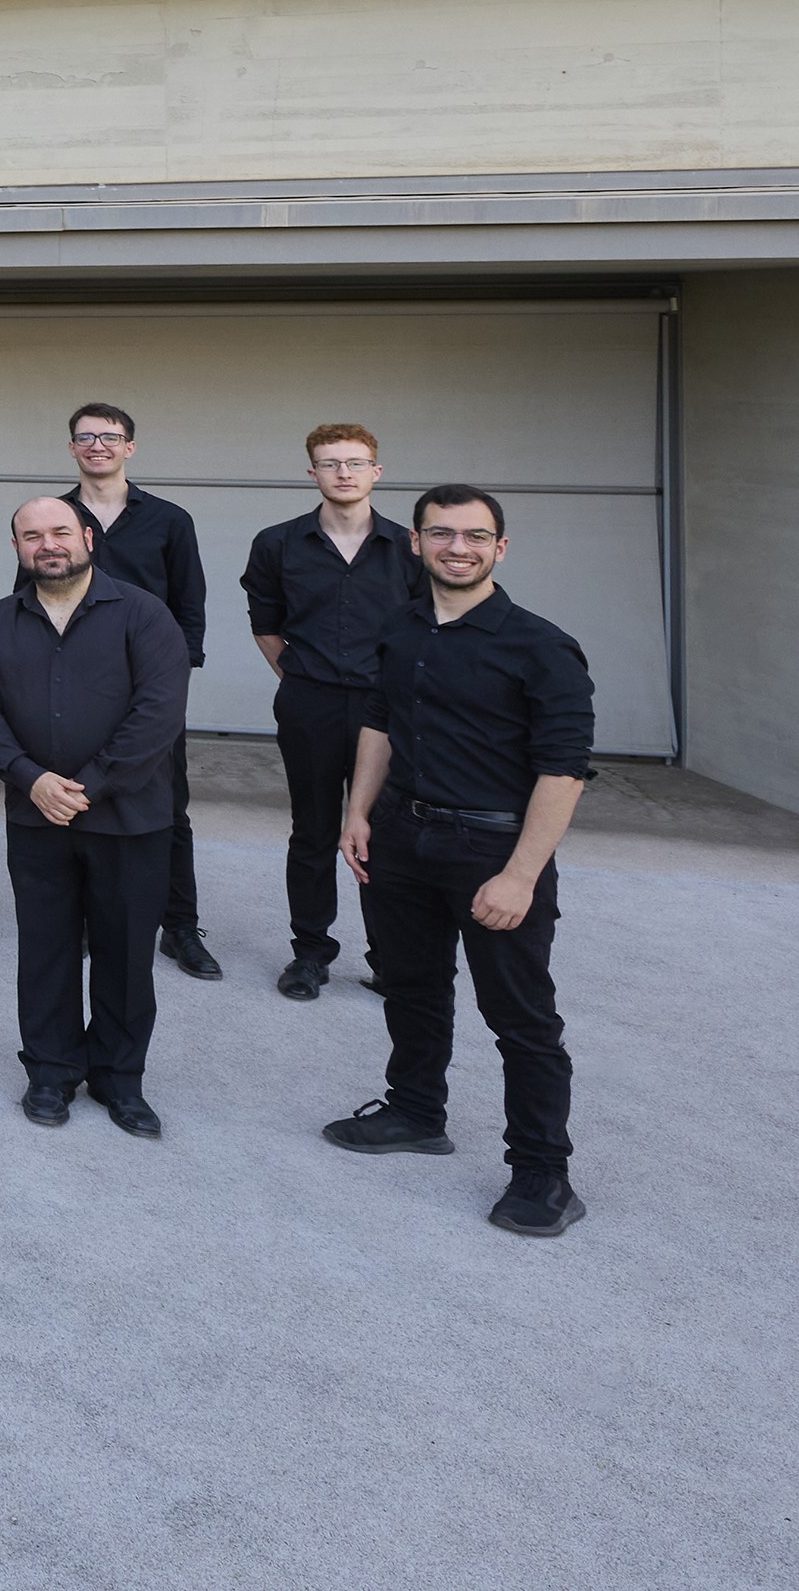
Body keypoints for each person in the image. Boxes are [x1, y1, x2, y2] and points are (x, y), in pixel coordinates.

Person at [321, 486, 594, 1238]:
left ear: (500, 548)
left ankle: (542, 1172)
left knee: (520, 1018)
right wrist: (357, 813)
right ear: (415, 543)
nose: (457, 547)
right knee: (410, 988)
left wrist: (520, 872)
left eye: (475, 535)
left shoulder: (540, 646)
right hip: (399, 839)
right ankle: (414, 1109)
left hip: (491, 849)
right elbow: (378, 719)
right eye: (439, 533)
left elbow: (562, 769)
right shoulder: (401, 626)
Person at [0, 498, 190, 1137]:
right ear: (17, 548)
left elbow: (158, 716)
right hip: (36, 818)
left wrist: (84, 788)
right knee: (46, 950)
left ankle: (121, 1081)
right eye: (32, 535)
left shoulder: (144, 615)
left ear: (87, 537)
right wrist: (31, 779)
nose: (48, 545)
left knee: (123, 956)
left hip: (130, 820)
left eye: (61, 531)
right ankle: (50, 1071)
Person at [243, 423, 423, 1001]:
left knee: (386, 834)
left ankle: (389, 957)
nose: (343, 473)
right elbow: (266, 624)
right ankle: (311, 954)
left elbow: (428, 631)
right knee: (313, 830)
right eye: (329, 463)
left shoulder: (409, 547)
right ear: (312, 473)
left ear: (377, 470)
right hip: (311, 704)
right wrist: (299, 678)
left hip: (389, 712)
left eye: (355, 462)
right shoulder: (277, 543)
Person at [66, 404, 216, 980]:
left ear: (130, 446)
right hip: (72, 685)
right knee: (78, 801)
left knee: (167, 808)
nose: (98, 445)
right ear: (73, 447)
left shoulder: (169, 520)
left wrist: (173, 680)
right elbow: (26, 596)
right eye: (86, 437)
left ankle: (179, 927)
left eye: (110, 437)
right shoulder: (55, 516)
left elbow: (189, 607)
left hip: (150, 688)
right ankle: (83, 920)